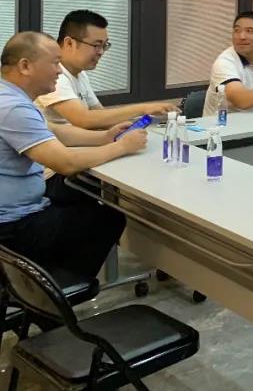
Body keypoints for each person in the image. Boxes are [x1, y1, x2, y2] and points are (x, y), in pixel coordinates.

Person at [0, 32, 147, 279]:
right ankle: (55, 291)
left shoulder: (9, 96)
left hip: (18, 210)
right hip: (13, 225)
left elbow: (53, 131)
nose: (59, 71)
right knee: (106, 218)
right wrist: (122, 147)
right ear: (25, 66)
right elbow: (66, 163)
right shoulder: (13, 107)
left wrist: (105, 137)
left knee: (83, 201)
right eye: (54, 63)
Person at [35, 10, 176, 128]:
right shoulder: (54, 76)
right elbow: (84, 119)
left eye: (104, 45)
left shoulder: (79, 73)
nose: (101, 52)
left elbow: (99, 115)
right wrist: (143, 108)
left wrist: (129, 127)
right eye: (96, 45)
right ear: (69, 43)